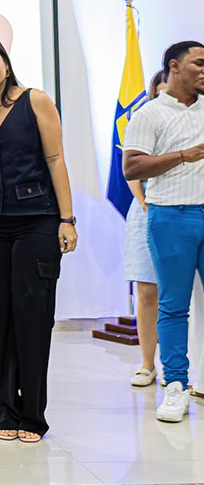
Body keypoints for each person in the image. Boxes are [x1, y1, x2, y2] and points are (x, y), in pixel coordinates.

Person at [0, 33, 78, 443]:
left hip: (37, 221)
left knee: (33, 317)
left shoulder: (35, 100)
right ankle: (5, 413)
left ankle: (33, 416)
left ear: (5, 63)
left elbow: (55, 159)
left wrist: (67, 218)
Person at [123, 40, 204, 423]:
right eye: (198, 63)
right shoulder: (149, 113)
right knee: (173, 304)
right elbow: (132, 167)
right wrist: (184, 155)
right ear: (174, 66)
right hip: (171, 215)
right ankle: (175, 387)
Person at [124, 69, 167, 388]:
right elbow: (131, 171)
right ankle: (148, 364)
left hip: (186, 209)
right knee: (147, 290)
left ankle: (182, 367)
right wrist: (145, 203)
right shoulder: (143, 120)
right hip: (146, 211)